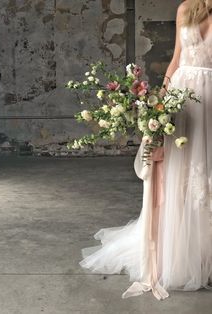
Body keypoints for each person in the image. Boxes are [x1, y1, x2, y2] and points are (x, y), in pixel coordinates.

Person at [79, 0, 212, 300]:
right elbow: (177, 59)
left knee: (205, 174)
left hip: (211, 100)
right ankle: (179, 251)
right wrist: (160, 103)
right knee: (177, 174)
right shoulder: (185, 9)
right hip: (183, 97)